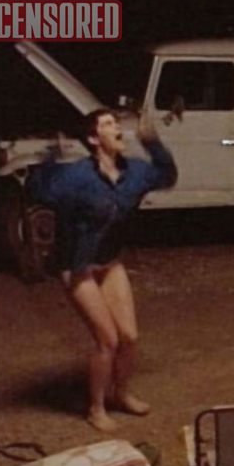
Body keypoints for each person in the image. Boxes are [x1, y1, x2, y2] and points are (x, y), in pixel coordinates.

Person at [32, 109, 176, 431]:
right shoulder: (76, 177)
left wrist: (153, 143)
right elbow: (39, 190)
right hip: (77, 267)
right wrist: (51, 157)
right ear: (94, 138)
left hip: (110, 262)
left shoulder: (135, 172)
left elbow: (167, 176)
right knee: (107, 341)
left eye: (117, 123)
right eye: (109, 124)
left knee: (130, 337)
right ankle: (96, 409)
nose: (117, 127)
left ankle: (120, 394)